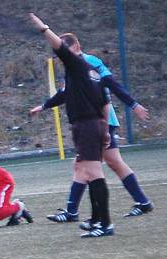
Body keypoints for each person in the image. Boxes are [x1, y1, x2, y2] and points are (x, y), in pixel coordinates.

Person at [30, 45, 153, 225]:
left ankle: (79, 213)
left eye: (64, 47)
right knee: (104, 163)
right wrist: (43, 107)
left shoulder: (90, 61)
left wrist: (133, 105)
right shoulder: (72, 65)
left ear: (75, 46)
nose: (61, 52)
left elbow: (111, 83)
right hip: (95, 122)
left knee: (87, 165)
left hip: (100, 121)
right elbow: (65, 93)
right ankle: (142, 202)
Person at [28, 14, 114, 238]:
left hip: (86, 126)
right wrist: (105, 128)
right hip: (93, 125)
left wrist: (43, 28)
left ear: (75, 49)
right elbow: (103, 101)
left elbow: (60, 47)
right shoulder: (90, 72)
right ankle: (96, 219)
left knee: (94, 173)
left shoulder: (76, 64)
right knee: (85, 171)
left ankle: (105, 224)